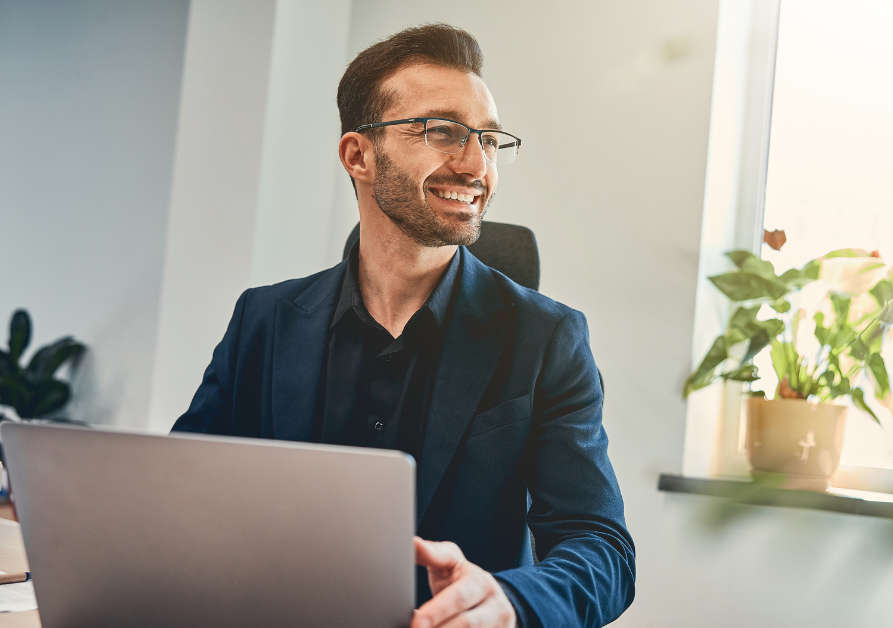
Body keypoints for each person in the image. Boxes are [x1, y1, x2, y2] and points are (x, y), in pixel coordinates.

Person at [172, 23, 634, 628]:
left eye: (490, 141)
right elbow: (180, 495)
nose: (476, 165)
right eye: (442, 131)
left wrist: (511, 604)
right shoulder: (262, 320)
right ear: (357, 156)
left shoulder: (546, 339)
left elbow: (602, 549)